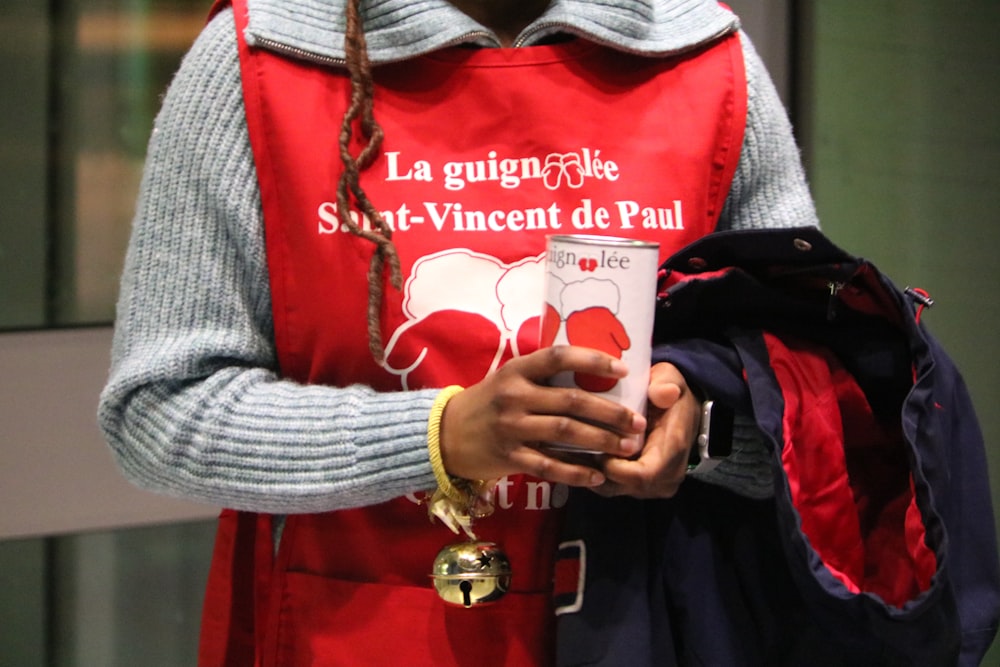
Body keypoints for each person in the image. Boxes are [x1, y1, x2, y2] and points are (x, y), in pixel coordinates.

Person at [98, 0, 822, 664]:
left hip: (651, 627)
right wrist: (439, 436)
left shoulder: (707, 63)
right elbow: (160, 410)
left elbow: (822, 425)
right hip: (346, 628)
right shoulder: (260, 60)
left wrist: (702, 434)